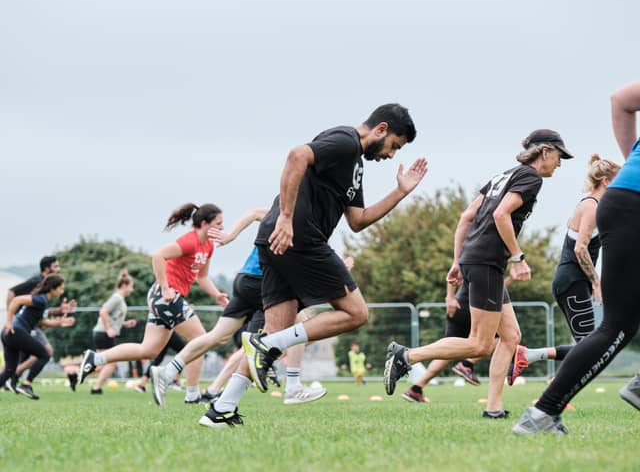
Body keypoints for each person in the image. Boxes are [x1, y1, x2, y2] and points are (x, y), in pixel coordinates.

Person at [198, 103, 427, 428]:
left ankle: (221, 408)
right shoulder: (346, 141)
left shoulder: (354, 164)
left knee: (277, 331)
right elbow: (296, 156)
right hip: (299, 237)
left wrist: (400, 192)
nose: (391, 155)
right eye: (394, 146)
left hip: (278, 240)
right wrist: (288, 219)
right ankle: (265, 345)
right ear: (381, 129)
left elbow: (358, 221)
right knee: (356, 313)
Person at [384, 129, 572, 419]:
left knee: (511, 336)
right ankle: (407, 356)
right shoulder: (530, 178)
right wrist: (518, 257)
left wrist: (458, 260)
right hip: (486, 261)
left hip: (480, 259)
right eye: (559, 156)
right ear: (545, 152)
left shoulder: (502, 176)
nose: (560, 164)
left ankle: (494, 408)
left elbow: (466, 216)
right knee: (479, 344)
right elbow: (500, 215)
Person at [513, 81, 640, 434]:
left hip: (625, 201)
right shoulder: (588, 204)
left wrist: (634, 160)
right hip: (631, 208)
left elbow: (622, 99)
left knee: (617, 325)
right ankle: (542, 414)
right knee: (614, 327)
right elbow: (582, 246)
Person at [151, 208, 328, 407]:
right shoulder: (295, 213)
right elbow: (254, 215)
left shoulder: (287, 213)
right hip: (262, 282)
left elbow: (253, 214)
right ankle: (292, 386)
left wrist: (230, 236)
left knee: (218, 336)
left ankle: (167, 373)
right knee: (296, 327)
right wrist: (230, 236)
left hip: (245, 279)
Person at [78, 203, 229, 404]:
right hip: (165, 296)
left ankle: (95, 359)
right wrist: (166, 288)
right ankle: (191, 395)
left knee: (148, 350)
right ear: (204, 223)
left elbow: (202, 277)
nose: (222, 228)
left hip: (166, 298)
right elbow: (158, 256)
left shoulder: (208, 246)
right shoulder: (190, 241)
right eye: (218, 224)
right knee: (200, 340)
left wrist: (217, 295)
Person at [507, 155, 620, 385]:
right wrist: (596, 281)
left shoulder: (593, 205)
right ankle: (549, 385)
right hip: (571, 282)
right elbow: (580, 249)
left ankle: (531, 358)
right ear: (607, 182)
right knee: (590, 347)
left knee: (587, 346)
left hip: (572, 282)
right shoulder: (591, 207)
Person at [402, 281, 495, 403]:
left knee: (447, 352)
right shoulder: (486, 265)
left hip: (459, 305)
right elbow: (455, 272)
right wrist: (449, 297)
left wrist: (450, 297)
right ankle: (466, 365)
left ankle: (416, 388)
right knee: (502, 338)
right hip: (473, 306)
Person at [4, 255, 76, 390]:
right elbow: (13, 294)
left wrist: (59, 313)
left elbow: (42, 314)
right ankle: (23, 381)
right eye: (56, 266)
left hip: (27, 325)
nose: (58, 269)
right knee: (45, 353)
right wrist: (10, 319)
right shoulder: (37, 283)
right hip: (20, 326)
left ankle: (15, 377)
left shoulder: (45, 295)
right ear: (46, 268)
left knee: (12, 365)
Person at [87, 270, 138, 394]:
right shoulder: (117, 298)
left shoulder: (119, 299)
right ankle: (96, 387)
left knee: (101, 362)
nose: (132, 290)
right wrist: (109, 329)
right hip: (104, 333)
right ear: (125, 286)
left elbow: (113, 317)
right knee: (111, 362)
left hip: (101, 332)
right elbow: (103, 312)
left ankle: (77, 373)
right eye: (131, 287)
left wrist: (125, 323)